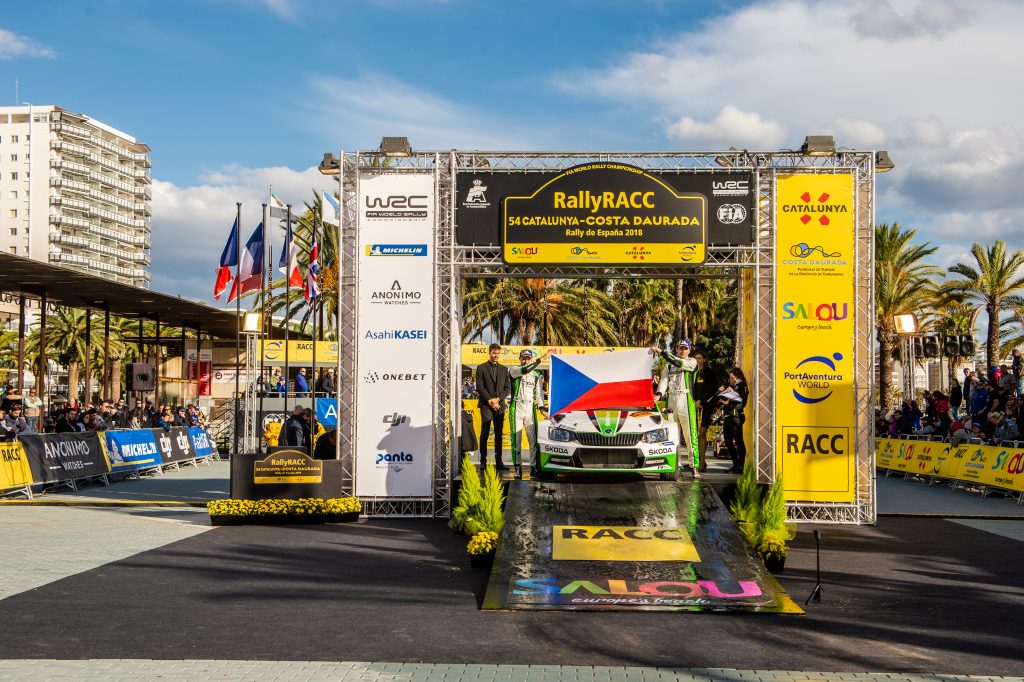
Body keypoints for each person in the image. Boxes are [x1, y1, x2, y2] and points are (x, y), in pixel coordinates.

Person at [652, 339, 700, 477]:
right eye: (680, 348)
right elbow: (664, 381)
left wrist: (661, 352)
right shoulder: (667, 366)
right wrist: (659, 394)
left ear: (689, 350)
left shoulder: (692, 362)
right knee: (673, 434)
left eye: (685, 348)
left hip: (686, 399)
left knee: (690, 435)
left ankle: (694, 466)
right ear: (677, 349)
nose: (682, 351)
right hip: (671, 400)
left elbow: (679, 363)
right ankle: (675, 464)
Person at [508, 349, 553, 479]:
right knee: (516, 440)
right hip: (516, 406)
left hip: (529, 407)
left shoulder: (537, 374)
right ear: (520, 358)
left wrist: (542, 408)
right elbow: (526, 369)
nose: (525, 360)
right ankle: (517, 468)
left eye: (528, 358)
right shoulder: (514, 370)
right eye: (524, 358)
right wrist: (542, 358)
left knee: (532, 441)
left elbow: (539, 394)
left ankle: (533, 467)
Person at [476, 343, 511, 469]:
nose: (496, 355)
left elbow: (507, 388)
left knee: (498, 434)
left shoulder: (504, 369)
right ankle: (483, 462)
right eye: (494, 353)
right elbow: (479, 387)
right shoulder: (481, 368)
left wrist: (498, 399)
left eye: (498, 353)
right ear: (489, 353)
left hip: (499, 405)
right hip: (486, 404)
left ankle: (499, 461)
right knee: (484, 433)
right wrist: (490, 400)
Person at [691, 349, 720, 471]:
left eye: (700, 358)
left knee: (702, 433)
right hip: (692, 406)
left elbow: (711, 390)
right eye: (696, 358)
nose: (698, 361)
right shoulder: (692, 372)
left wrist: (701, 401)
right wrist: (693, 401)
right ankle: (694, 461)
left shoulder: (710, 373)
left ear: (704, 359)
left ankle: (702, 463)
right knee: (693, 435)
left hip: (705, 407)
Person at [720, 368, 749, 473]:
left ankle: (740, 466)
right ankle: (735, 464)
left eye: (732, 377)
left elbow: (741, 402)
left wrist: (728, 402)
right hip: (728, 416)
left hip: (736, 416)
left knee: (738, 441)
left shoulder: (742, 386)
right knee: (728, 441)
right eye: (730, 377)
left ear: (738, 377)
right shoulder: (732, 386)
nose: (730, 379)